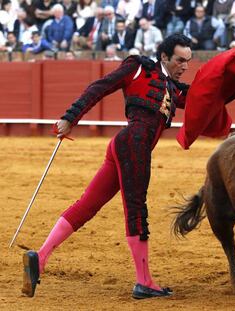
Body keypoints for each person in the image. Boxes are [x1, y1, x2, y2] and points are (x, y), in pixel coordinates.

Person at [22, 33, 193, 300]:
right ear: (164, 56)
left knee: (88, 204)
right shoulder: (138, 67)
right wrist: (70, 117)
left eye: (188, 61)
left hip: (123, 146)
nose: (185, 66)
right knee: (136, 209)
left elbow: (204, 96)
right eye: (181, 60)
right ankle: (144, 281)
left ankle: (40, 257)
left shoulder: (174, 88)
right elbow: (99, 87)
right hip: (134, 147)